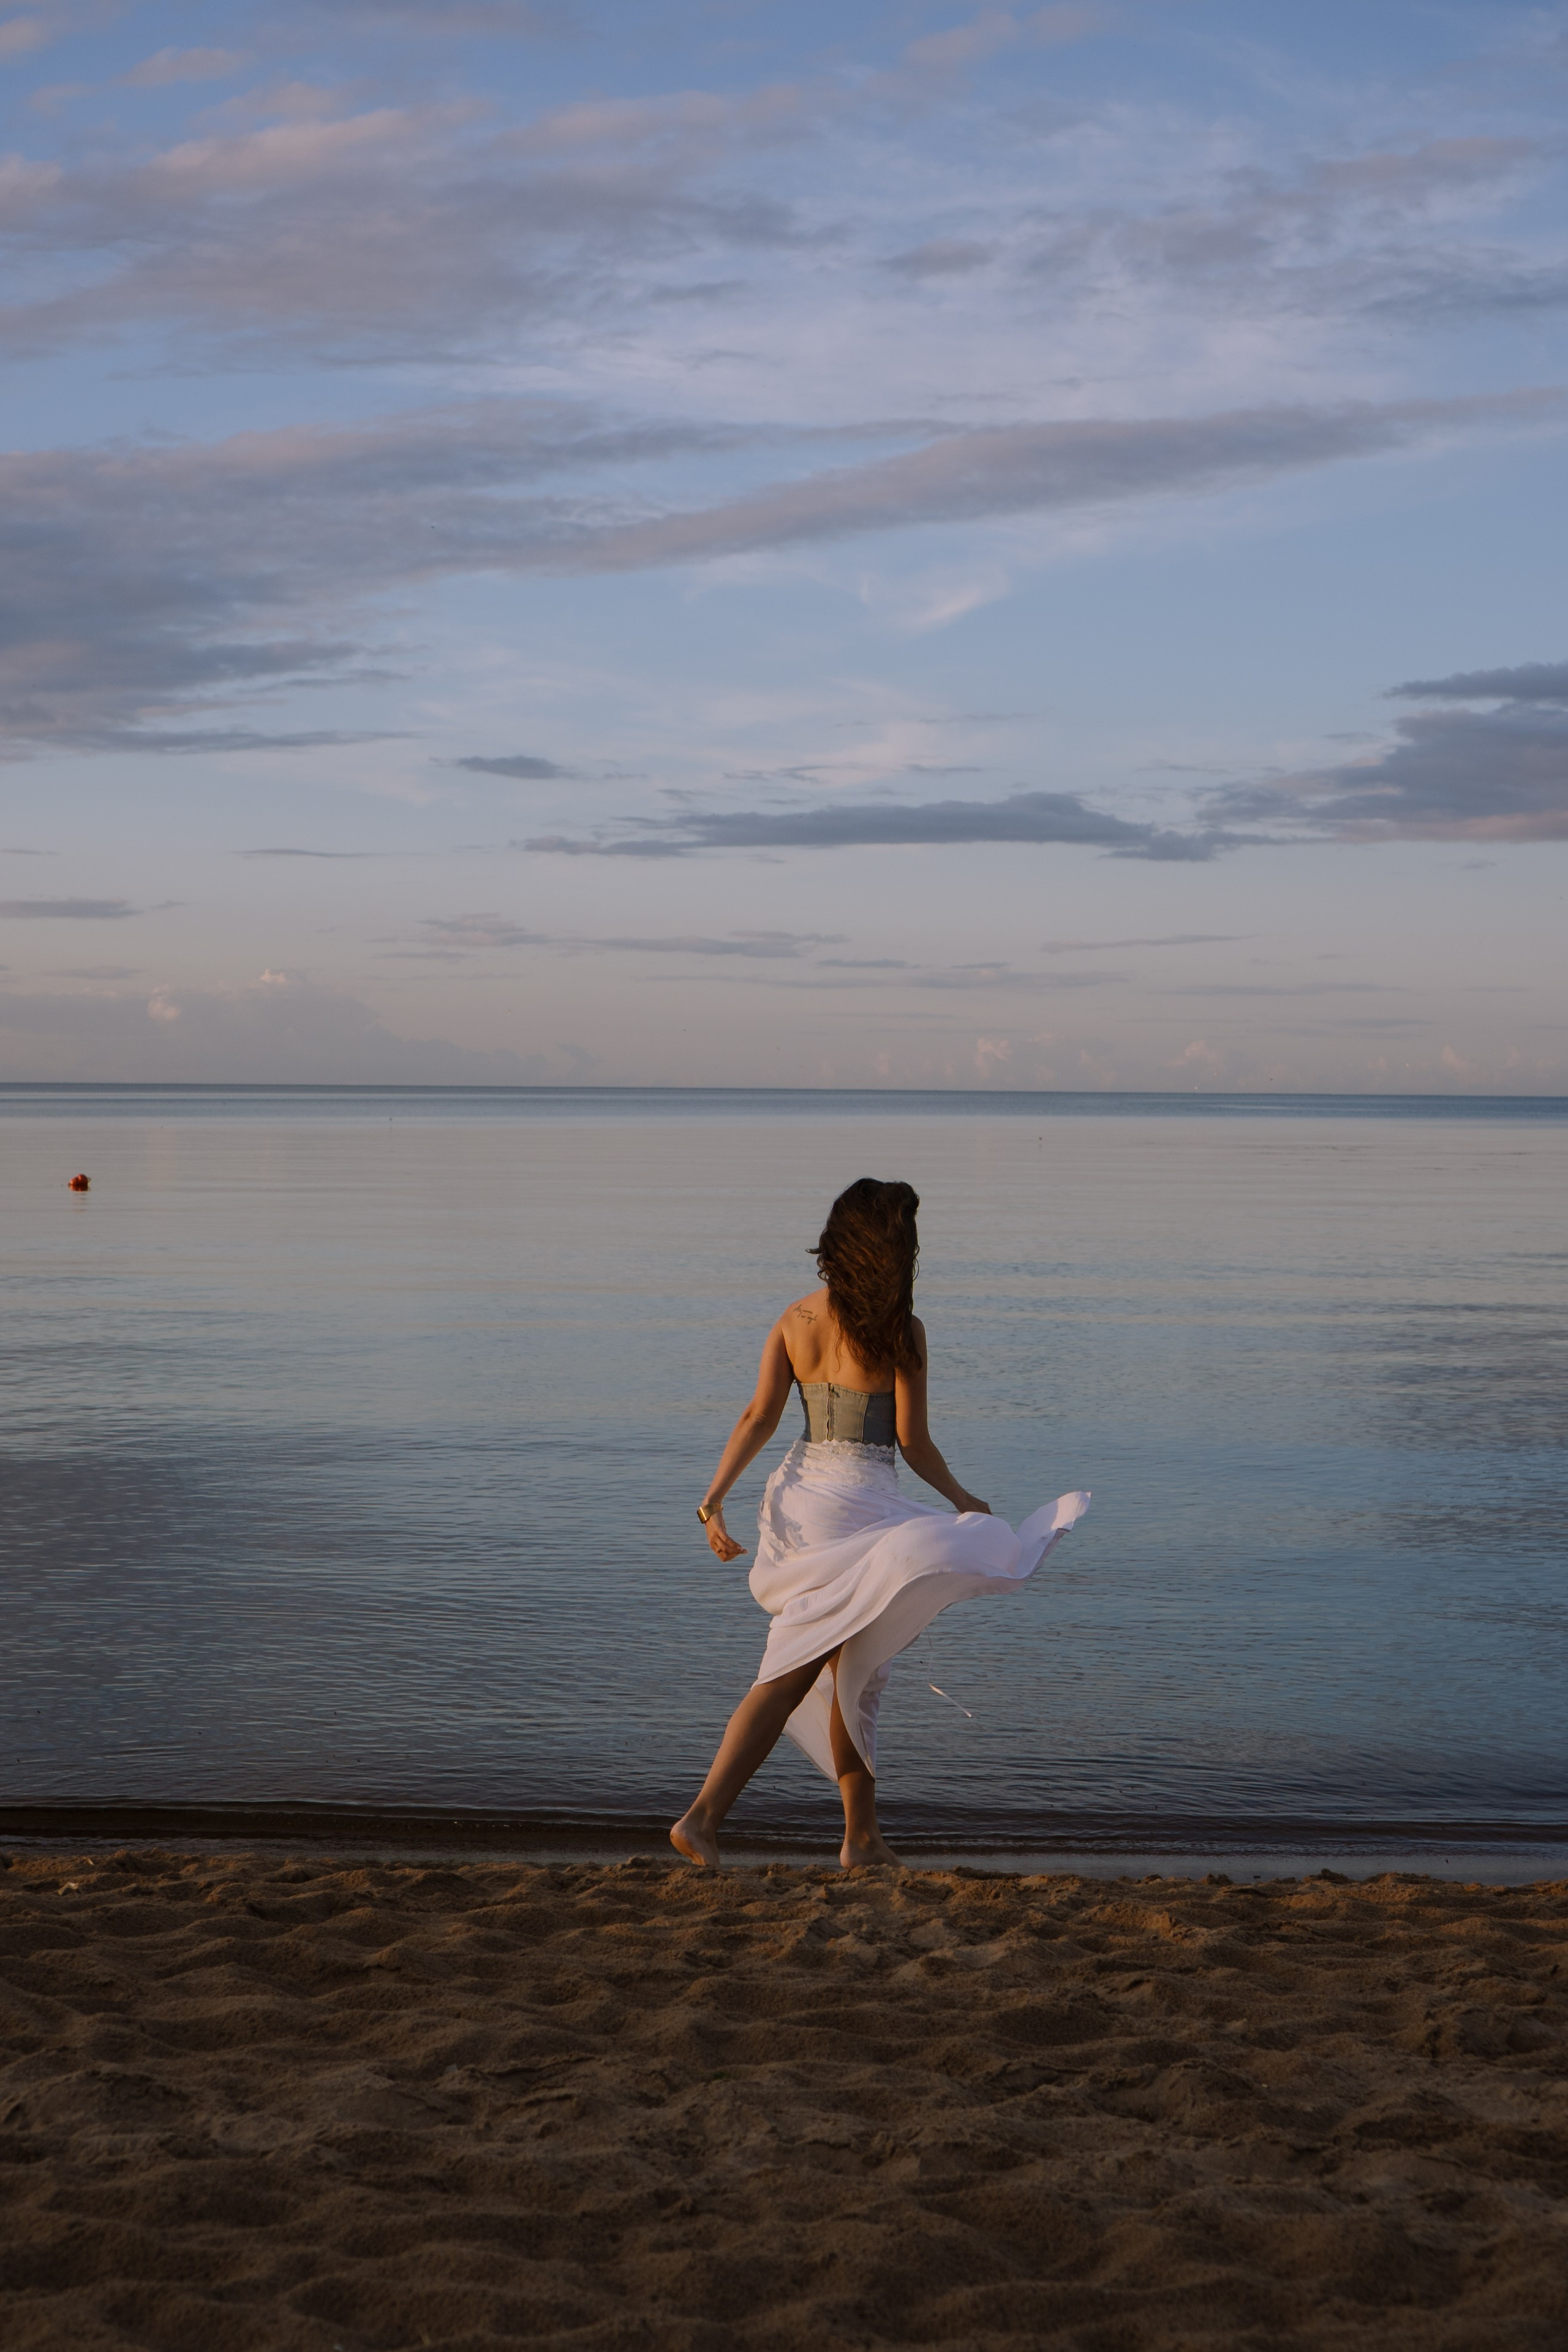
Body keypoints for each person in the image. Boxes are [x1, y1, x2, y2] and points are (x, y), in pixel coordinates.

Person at [671, 1177, 1089, 1871]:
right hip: (861, 1506)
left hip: (800, 1502)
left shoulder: (795, 1319)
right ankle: (704, 1816)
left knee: (852, 1669)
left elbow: (759, 1417)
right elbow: (913, 1444)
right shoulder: (902, 1332)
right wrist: (965, 1501)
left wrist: (712, 1502)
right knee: (800, 1668)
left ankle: (860, 1837)